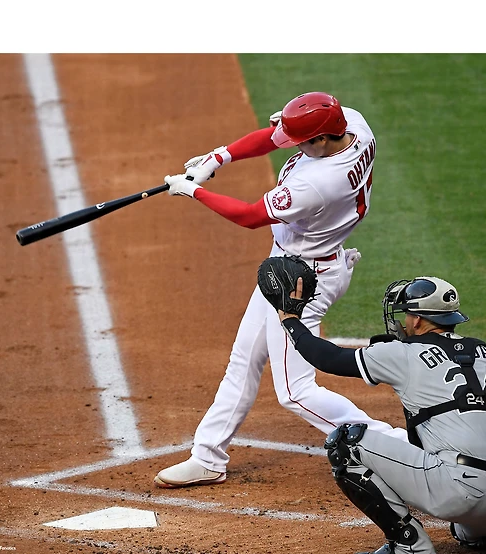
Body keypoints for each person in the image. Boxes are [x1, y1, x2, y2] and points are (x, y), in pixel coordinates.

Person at [155, 91, 407, 489]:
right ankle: (207, 457)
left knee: (295, 390)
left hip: (303, 281)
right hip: (290, 266)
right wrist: (217, 158)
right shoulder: (353, 124)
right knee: (244, 360)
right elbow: (273, 137)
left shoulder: (318, 183)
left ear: (321, 139)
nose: (291, 145)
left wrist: (193, 191)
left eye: (301, 141)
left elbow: (251, 216)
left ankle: (395, 446)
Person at [274, 269, 486, 554]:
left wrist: (290, 320)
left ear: (418, 320)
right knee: (466, 530)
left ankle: (410, 549)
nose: (404, 321)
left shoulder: (404, 353)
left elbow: (329, 359)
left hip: (458, 493)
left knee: (345, 445)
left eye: (406, 314)